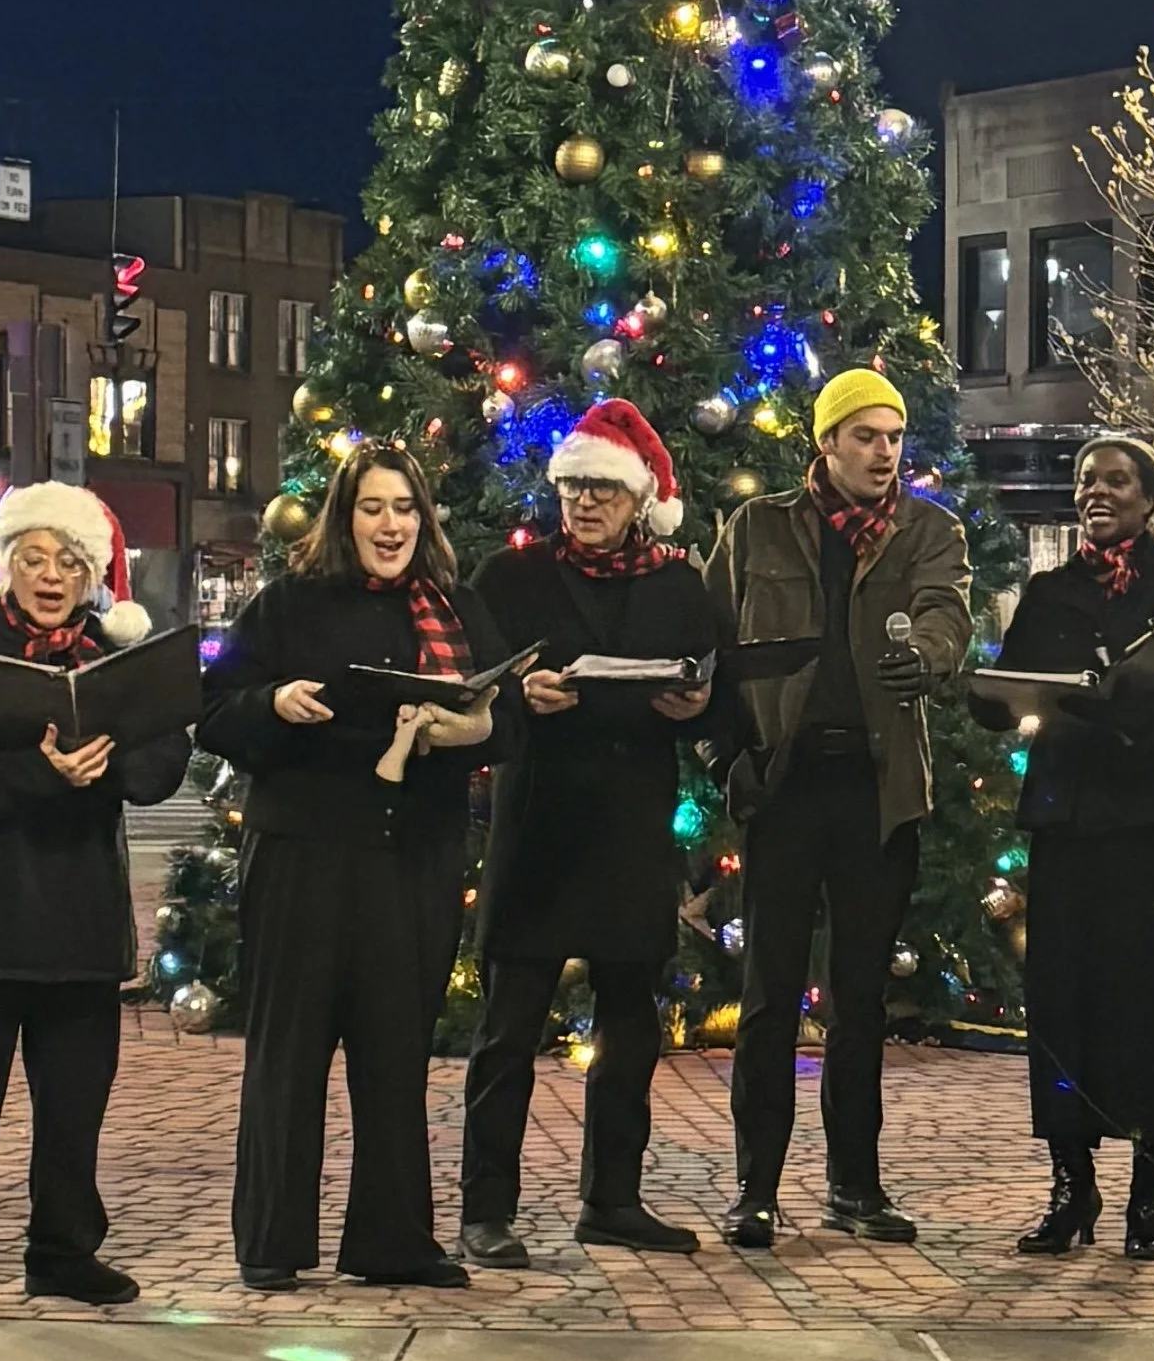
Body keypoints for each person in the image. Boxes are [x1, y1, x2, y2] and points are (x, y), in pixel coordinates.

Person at [196, 444, 505, 1292]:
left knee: (395, 1052)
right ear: (345, 515)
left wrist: (475, 729)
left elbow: (506, 718)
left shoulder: (457, 605)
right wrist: (274, 703)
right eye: (373, 507)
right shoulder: (290, 605)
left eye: (405, 506)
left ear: (424, 517)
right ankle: (271, 1240)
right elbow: (215, 711)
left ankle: (392, 1239)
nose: (391, 523)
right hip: (303, 853)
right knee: (288, 1052)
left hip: (414, 857)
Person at [0, 483, 189, 1319]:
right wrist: (38, 771)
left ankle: (62, 1249)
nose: (51, 575)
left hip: (80, 922)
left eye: (68, 561)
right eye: (34, 557)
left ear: (91, 574)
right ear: (6, 564)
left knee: (74, 1101)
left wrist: (110, 762)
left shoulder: (109, 656)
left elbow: (162, 760)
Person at [704, 365, 971, 1251]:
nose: (884, 452)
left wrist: (926, 656)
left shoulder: (929, 532)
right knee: (770, 996)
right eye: (866, 434)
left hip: (877, 790)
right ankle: (757, 1189)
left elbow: (947, 616)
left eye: (895, 437)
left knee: (860, 1001)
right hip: (783, 791)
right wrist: (723, 757)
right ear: (826, 441)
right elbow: (708, 644)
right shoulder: (758, 528)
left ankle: (856, 1185)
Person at [458, 398, 718, 1266]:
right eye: (572, 488)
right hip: (537, 827)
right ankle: (485, 1208)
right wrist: (514, 700)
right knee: (508, 1030)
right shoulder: (510, 579)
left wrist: (695, 705)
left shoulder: (679, 585)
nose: (584, 503)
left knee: (630, 1030)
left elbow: (709, 692)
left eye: (603, 489)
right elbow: (464, 691)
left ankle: (613, 1198)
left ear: (638, 498)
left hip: (630, 827)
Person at [995, 433, 1154, 1261]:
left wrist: (1098, 702)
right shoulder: (1051, 590)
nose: (1097, 490)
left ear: (1149, 496)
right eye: (1088, 479)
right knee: (1065, 1005)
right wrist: (1027, 698)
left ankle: (1147, 1189)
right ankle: (1071, 1183)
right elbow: (1008, 688)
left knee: (1149, 1005)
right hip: (1068, 816)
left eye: (1117, 479)